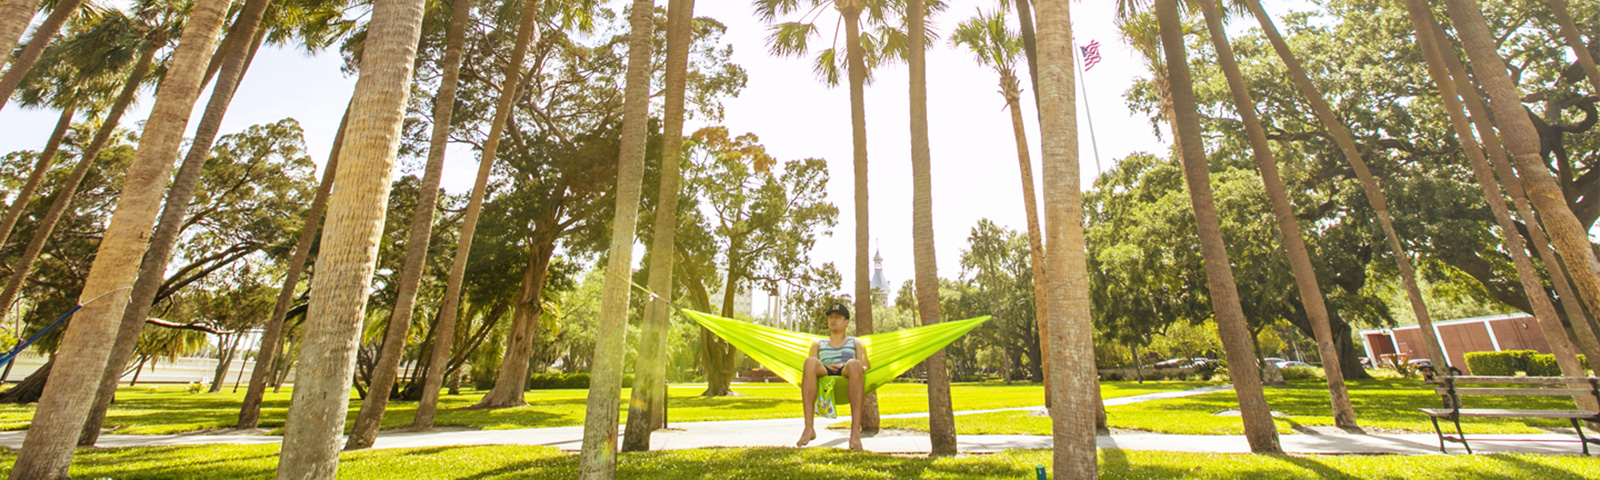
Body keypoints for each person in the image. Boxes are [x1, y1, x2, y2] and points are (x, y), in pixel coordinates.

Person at [797, 301, 869, 450]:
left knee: (855, 364)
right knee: (809, 362)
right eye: (831, 317)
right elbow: (811, 367)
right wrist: (826, 367)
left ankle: (855, 433)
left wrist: (849, 365)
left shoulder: (856, 342)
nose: (833, 320)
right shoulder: (818, 343)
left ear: (846, 322)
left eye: (837, 317)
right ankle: (809, 428)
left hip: (846, 371)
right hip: (825, 372)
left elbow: (865, 365)